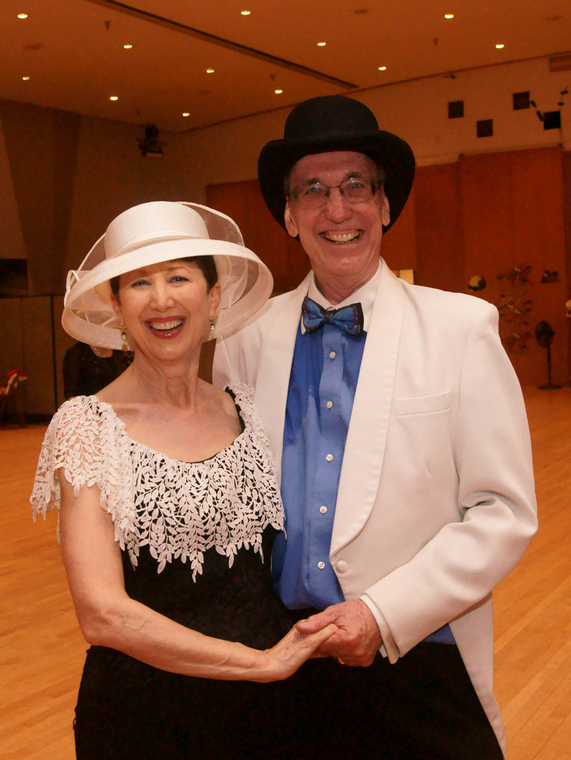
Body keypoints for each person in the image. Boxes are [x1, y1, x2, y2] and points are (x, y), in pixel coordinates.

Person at [213, 95, 538, 758]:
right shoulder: (245, 338)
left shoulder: (460, 329)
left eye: (356, 186)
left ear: (385, 206)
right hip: (284, 660)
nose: (337, 210)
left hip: (417, 652)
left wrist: (382, 613)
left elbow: (502, 512)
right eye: (313, 190)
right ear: (289, 215)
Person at [31, 201, 337, 760]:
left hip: (274, 713)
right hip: (151, 719)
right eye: (139, 283)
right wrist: (259, 663)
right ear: (117, 306)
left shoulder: (244, 409)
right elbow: (102, 614)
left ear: (213, 297)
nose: (161, 299)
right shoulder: (89, 427)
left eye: (178, 277)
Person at [62, 341, 132, 398]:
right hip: (89, 408)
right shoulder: (77, 353)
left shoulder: (120, 351)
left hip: (118, 405)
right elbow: (70, 393)